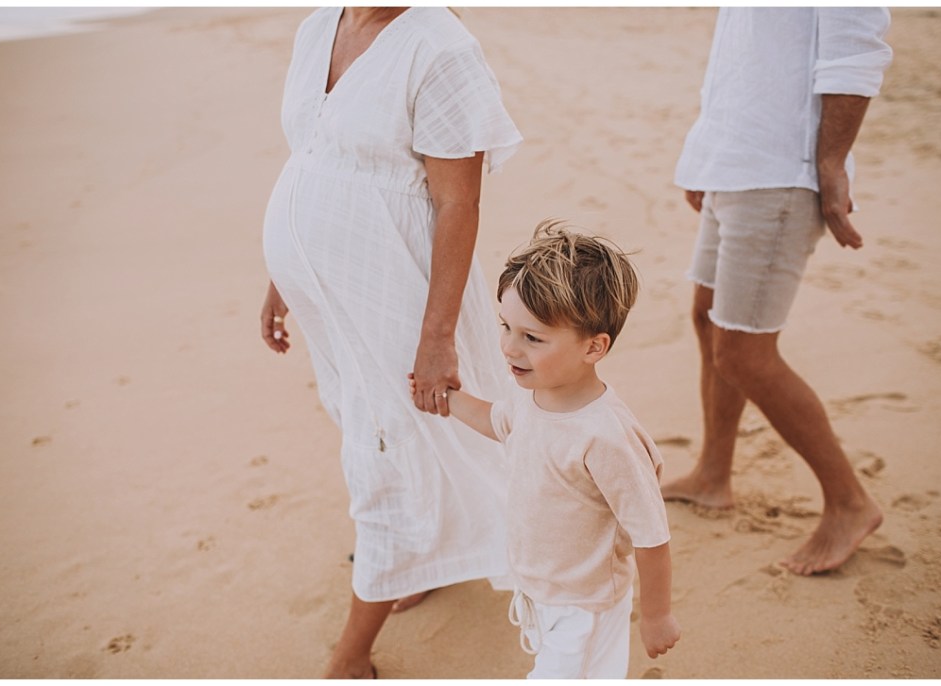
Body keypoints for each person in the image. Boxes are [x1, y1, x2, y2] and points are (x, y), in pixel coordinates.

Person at [260, 7, 523, 678]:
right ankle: (426, 557)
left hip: (399, 295)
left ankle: (351, 654)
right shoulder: (321, 24)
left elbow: (458, 202)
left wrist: (437, 337)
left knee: (386, 453)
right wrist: (285, 273)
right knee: (373, 429)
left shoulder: (439, 48)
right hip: (333, 299)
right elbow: (313, 154)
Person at [668, 8, 894, 575]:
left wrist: (832, 163)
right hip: (736, 161)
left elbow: (856, 48)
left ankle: (850, 503)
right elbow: (740, 58)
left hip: (781, 171)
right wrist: (706, 154)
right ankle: (713, 476)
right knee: (706, 317)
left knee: (744, 353)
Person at [411, 221, 680, 678]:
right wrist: (447, 399)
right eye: (506, 327)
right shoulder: (531, 395)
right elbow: (500, 422)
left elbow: (651, 534)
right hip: (541, 587)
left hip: (584, 605)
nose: (509, 348)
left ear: (594, 347)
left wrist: (656, 616)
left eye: (532, 338)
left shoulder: (606, 437)